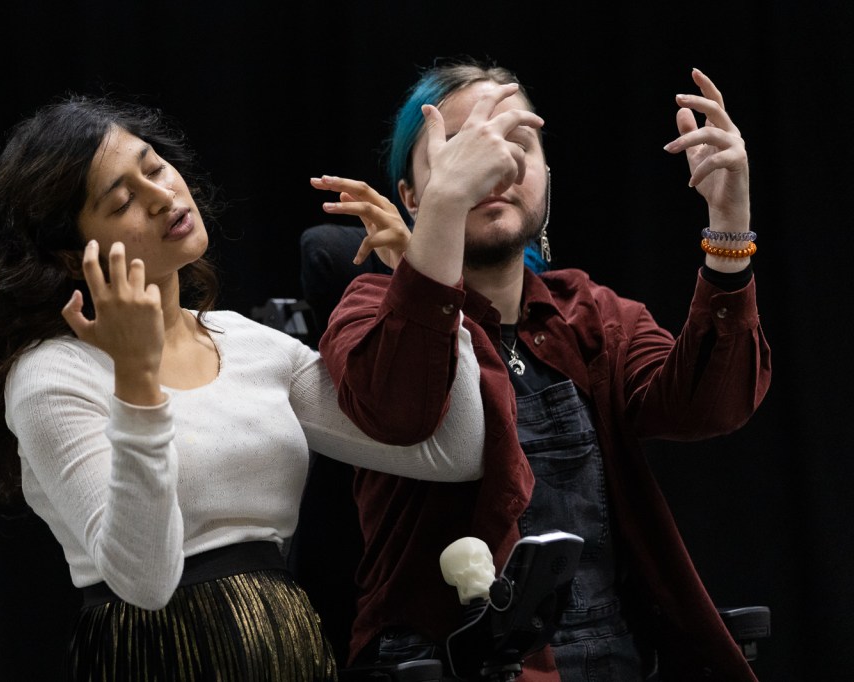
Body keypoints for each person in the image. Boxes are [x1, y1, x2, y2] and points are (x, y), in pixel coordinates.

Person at [0, 94, 490, 681]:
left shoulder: (249, 343)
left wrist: (427, 283)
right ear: (74, 257)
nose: (163, 196)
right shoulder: (52, 374)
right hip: (152, 658)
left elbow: (450, 453)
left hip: (286, 647)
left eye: (155, 168)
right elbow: (146, 582)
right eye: (123, 201)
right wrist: (137, 382)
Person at [310, 59, 771, 681]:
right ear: (412, 196)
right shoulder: (367, 308)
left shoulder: (590, 311)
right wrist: (443, 217)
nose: (495, 164)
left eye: (517, 143)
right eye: (463, 147)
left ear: (546, 177)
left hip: (614, 655)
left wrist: (729, 230)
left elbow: (707, 407)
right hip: (455, 661)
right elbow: (402, 412)